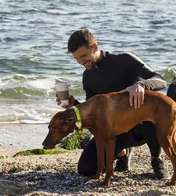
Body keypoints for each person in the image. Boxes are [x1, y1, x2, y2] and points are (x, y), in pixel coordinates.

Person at [56, 28, 168, 179]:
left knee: (150, 112)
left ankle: (156, 159)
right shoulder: (88, 77)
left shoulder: (124, 60)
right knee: (85, 168)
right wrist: (74, 104)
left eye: (83, 56)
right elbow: (93, 113)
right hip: (114, 131)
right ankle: (122, 153)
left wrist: (142, 85)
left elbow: (160, 79)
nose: (81, 62)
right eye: (77, 59)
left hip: (141, 126)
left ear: (95, 47)